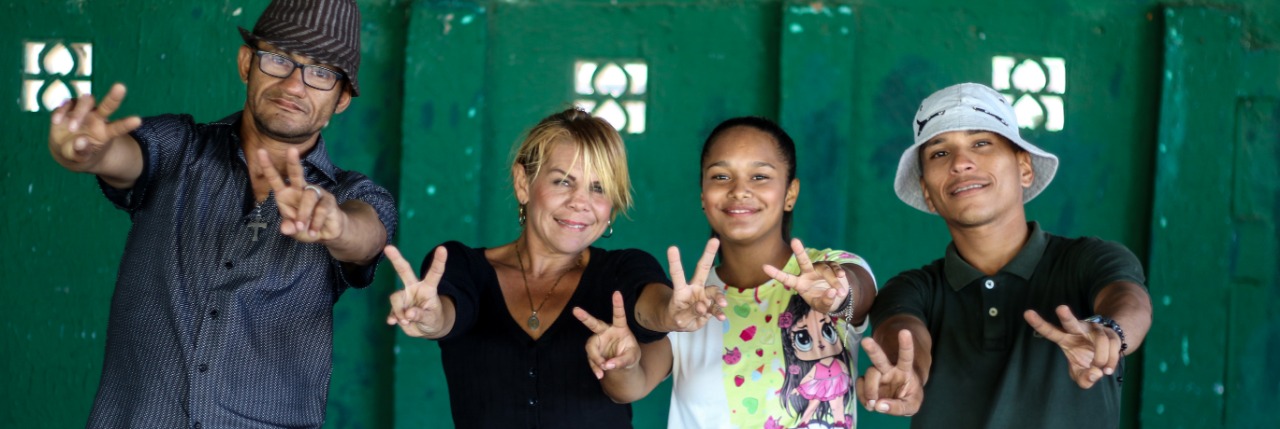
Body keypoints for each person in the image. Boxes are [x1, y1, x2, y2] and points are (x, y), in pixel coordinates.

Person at [46, 0, 396, 427]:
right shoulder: (179, 148)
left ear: (342, 99)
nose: (294, 85)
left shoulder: (352, 194)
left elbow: (368, 235)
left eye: (321, 72)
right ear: (247, 61)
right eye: (278, 59)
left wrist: (337, 225)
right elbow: (124, 157)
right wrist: (91, 151)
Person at [385, 108, 721, 428]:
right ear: (523, 182)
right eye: (563, 181)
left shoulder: (623, 269)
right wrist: (429, 318)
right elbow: (447, 313)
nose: (580, 202)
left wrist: (671, 313)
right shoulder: (462, 266)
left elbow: (650, 305)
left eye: (598, 188)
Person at [856, 83, 1153, 429]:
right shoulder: (912, 289)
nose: (961, 163)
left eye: (982, 143)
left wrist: (1109, 332)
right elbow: (902, 333)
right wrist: (906, 371)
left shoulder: (1087, 259)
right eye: (940, 153)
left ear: (1024, 168)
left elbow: (1129, 299)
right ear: (928, 193)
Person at [576, 116, 878, 428]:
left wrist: (837, 296)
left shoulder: (834, 271)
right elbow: (630, 387)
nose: (739, 190)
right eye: (721, 177)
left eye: (760, 176)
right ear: (703, 195)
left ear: (790, 193)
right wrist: (618, 363)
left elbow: (857, 290)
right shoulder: (688, 303)